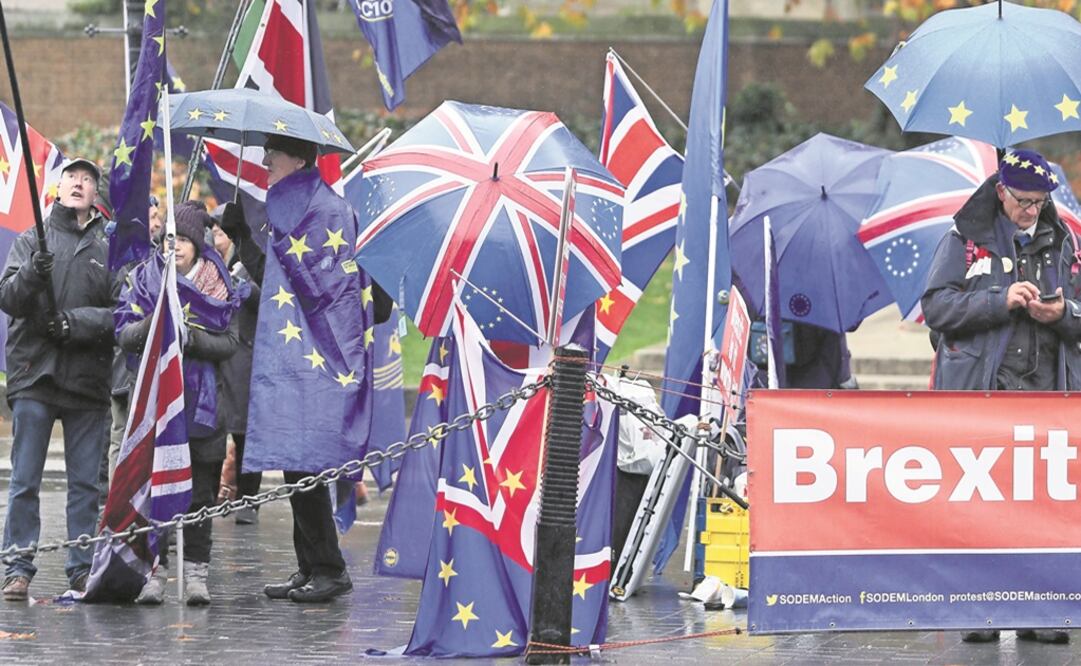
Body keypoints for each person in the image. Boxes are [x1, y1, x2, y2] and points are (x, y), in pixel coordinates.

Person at [218, 134, 391, 603]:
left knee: (306, 463)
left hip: (323, 359)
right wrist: (242, 238)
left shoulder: (324, 213)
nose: (266, 160)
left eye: (274, 154)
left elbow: (323, 292)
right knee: (296, 465)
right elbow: (277, 285)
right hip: (300, 357)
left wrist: (259, 239)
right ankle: (310, 565)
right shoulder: (292, 212)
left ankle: (331, 570)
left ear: (299, 159)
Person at [922, 148, 1080, 645]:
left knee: (1041, 506)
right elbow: (936, 308)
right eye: (1022, 202)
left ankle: (1041, 609)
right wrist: (1000, 300)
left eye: (1039, 203)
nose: (1031, 211)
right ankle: (980, 609)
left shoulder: (1066, 244)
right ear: (1000, 191)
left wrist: (1064, 313)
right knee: (981, 506)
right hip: (981, 394)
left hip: (1046, 393)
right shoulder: (962, 240)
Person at [0, 158, 115, 600]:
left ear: (94, 193)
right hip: (35, 376)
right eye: (71, 178)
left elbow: (122, 310)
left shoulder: (109, 246)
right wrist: (33, 271)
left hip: (87, 381)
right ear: (57, 188)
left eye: (87, 179)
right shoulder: (32, 239)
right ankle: (18, 566)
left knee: (85, 484)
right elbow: (7, 297)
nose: (78, 184)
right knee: (24, 479)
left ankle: (81, 566)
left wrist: (74, 323)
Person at [115, 201, 241, 605]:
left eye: (184, 239)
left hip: (202, 408)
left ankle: (197, 575)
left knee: (200, 494)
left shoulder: (219, 287)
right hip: (155, 406)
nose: (176, 246)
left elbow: (229, 344)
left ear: (198, 245)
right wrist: (158, 324)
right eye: (171, 238)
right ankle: (156, 571)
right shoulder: (143, 280)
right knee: (157, 493)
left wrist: (192, 337)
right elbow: (123, 332)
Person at [209, 207, 263, 525]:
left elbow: (267, 291)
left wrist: (247, 290)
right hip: (220, 355)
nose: (218, 239)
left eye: (222, 233)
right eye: (214, 232)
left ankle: (248, 497)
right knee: (217, 429)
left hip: (244, 355)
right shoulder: (213, 265)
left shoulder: (247, 262)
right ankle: (220, 489)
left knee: (244, 432)